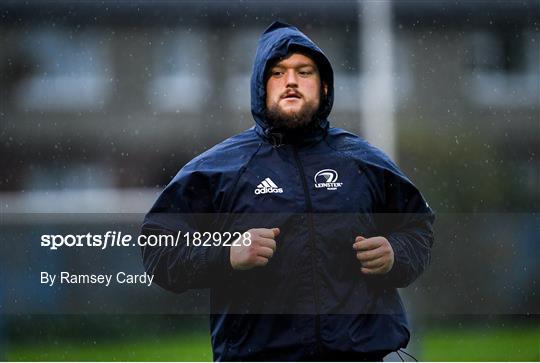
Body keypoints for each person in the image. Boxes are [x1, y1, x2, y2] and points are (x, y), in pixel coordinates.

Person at [142, 21, 435, 361]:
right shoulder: (219, 169)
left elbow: (418, 227)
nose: (291, 81)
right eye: (278, 73)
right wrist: (225, 253)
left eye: (304, 71)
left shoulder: (363, 162)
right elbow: (157, 246)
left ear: (324, 87)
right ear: (260, 87)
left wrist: (395, 253)